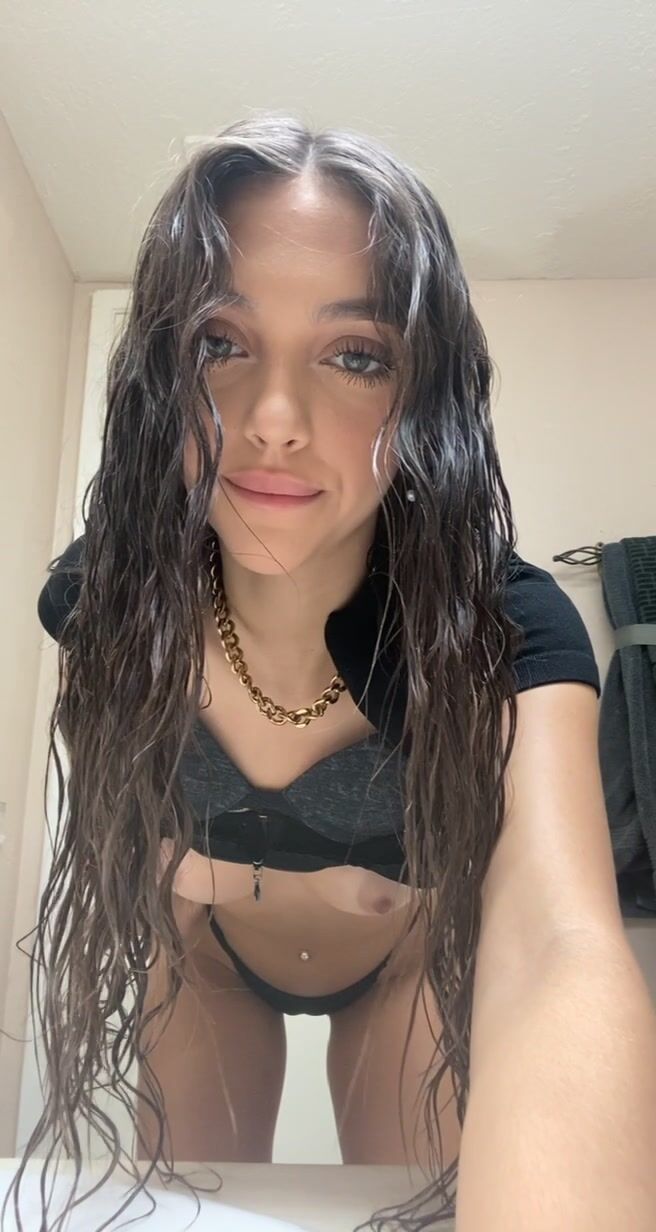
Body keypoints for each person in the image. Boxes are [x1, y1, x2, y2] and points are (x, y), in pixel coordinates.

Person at [12, 114, 602, 1231]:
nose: (272, 422)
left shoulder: (501, 632)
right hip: (205, 968)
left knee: (419, 1211)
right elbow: (119, 806)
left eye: (354, 355)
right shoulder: (104, 599)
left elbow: (559, 942)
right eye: (219, 343)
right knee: (196, 1215)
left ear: (422, 391)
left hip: (401, 978)